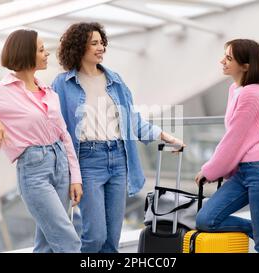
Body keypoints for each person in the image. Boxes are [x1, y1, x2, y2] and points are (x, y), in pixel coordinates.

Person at [52, 22, 184, 253]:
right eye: (94, 43)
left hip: (119, 159)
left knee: (112, 239)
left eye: (102, 42)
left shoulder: (116, 81)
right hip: (87, 161)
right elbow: (56, 127)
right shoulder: (63, 85)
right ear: (78, 47)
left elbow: (131, 119)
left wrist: (164, 136)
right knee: (95, 236)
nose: (101, 47)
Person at [0, 29, 82, 253]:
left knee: (47, 246)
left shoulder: (49, 92)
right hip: (34, 171)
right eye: (41, 50)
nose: (47, 53)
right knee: (68, 240)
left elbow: (65, 135)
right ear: (25, 54)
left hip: (61, 165)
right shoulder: (1, 92)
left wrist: (75, 178)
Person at [194, 39, 259, 253]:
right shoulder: (236, 89)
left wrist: (211, 170)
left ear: (246, 66)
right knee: (206, 220)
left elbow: (235, 138)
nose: (222, 61)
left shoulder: (252, 93)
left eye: (229, 58)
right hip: (245, 172)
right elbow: (234, 137)